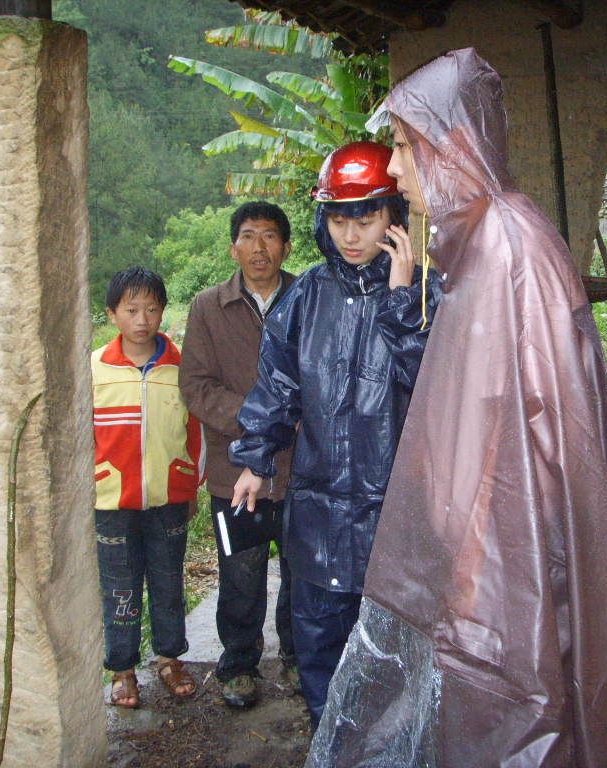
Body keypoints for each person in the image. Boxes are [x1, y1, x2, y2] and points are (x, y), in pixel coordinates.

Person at [307, 48, 607, 767]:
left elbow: (535, 432)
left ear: (455, 143)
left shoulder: (508, 249)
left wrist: (472, 551)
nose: (395, 166)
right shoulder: (488, 241)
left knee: (521, 698)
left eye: (404, 145)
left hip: (505, 543)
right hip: (488, 538)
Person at [229, 141, 441, 728]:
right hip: (319, 503)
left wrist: (402, 299)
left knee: (393, 639)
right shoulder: (306, 294)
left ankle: (388, 747)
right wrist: (255, 457)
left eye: (366, 220)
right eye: (339, 220)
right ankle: (331, 739)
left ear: (393, 217)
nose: (351, 235)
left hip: (395, 507)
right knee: (318, 634)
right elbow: (277, 383)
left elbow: (436, 387)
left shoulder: (427, 294)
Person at [179, 201, 298, 708]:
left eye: (269, 236)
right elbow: (196, 387)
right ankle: (239, 665)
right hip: (234, 473)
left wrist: (288, 418)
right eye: (248, 236)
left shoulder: (308, 297)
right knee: (240, 574)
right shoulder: (209, 307)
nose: (258, 247)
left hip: (299, 470)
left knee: (302, 572)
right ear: (233, 248)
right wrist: (259, 417)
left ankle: (298, 656)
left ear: (286, 247)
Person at [92, 266, 205, 709]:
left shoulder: (181, 367)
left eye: (152, 309)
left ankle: (170, 659)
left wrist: (191, 484)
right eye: (131, 309)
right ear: (111, 314)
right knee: (119, 587)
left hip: (168, 497)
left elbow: (195, 431)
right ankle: (122, 669)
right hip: (111, 500)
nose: (142, 319)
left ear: (162, 311)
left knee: (167, 581)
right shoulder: (95, 368)